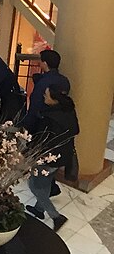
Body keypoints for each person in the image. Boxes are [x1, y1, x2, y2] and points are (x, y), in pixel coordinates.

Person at [27, 86, 79, 232]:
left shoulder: (49, 118)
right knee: (47, 180)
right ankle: (38, 209)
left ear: (54, 99)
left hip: (47, 157)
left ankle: (56, 216)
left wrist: (28, 151)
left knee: (34, 185)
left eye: (47, 95)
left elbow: (41, 140)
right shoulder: (68, 111)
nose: (44, 96)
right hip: (63, 156)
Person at [24, 49, 71, 131]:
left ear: (45, 63)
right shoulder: (64, 81)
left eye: (40, 60)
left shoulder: (42, 83)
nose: (39, 62)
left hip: (43, 123)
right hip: (61, 123)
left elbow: (35, 105)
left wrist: (27, 125)